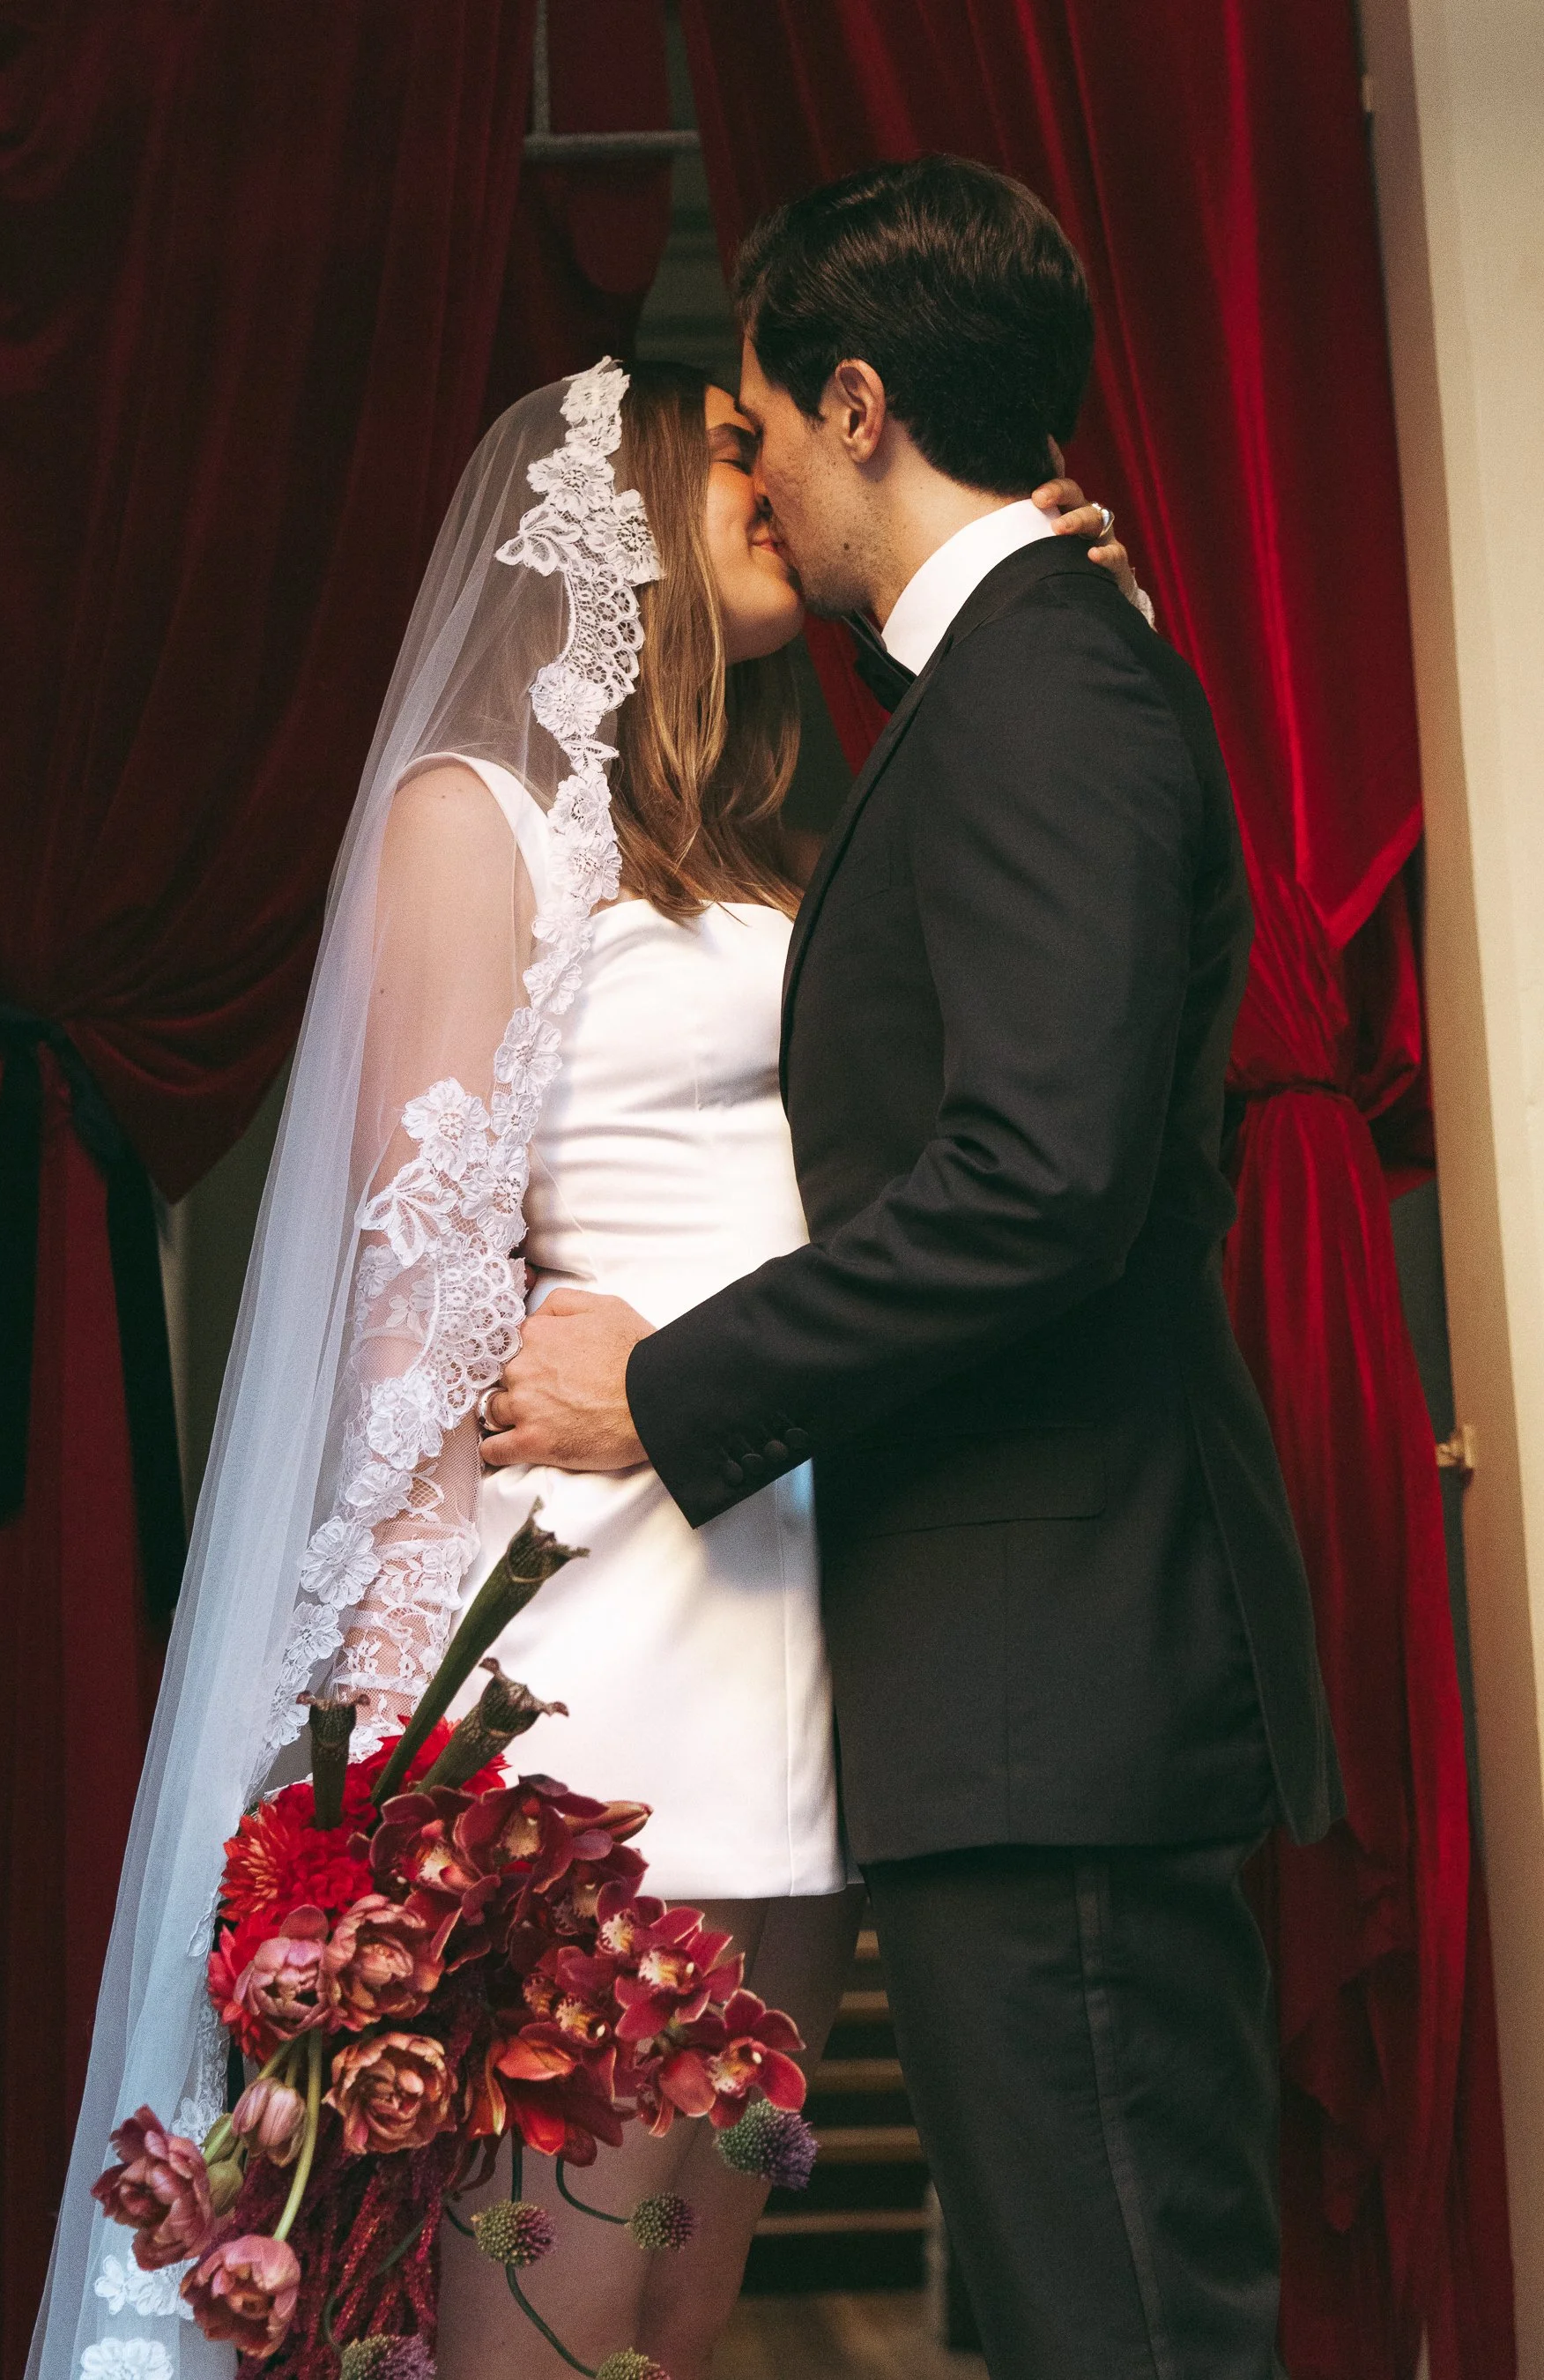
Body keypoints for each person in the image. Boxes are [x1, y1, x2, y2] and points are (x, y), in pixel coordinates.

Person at [31, 342, 1132, 2380]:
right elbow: (411, 1332)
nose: (784, 472)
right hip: (600, 1659)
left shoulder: (768, 841)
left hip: (805, 1635)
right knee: (549, 2318)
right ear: (620, 509)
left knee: (686, 2314)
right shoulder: (474, 823)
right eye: (732, 445)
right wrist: (391, 1789)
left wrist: (1020, 611)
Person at [479, 159, 1344, 2380]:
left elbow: (1035, 1180)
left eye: (760, 417)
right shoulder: (1026, 681)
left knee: (1121, 2329)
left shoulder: (1045, 692)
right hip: (1013, 1675)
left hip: (1058, 1685)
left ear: (860, 402)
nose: (740, 462)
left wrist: (658, 1394)